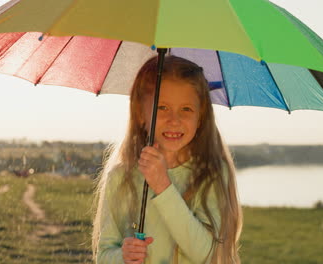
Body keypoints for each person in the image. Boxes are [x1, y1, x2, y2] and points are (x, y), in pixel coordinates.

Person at [92, 55, 242, 264]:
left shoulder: (212, 175)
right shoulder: (120, 177)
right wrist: (122, 257)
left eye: (186, 109)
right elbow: (104, 254)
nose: (174, 119)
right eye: (162, 107)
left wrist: (162, 185)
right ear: (141, 113)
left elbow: (209, 255)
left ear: (200, 117)